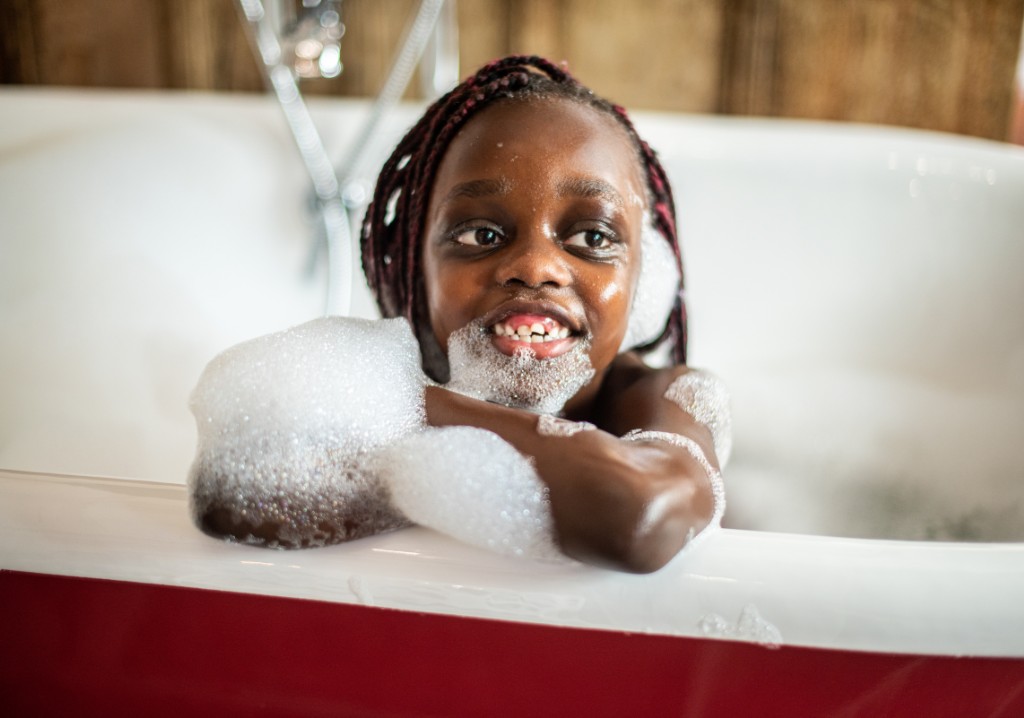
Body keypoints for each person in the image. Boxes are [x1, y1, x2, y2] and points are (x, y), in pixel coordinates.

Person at [192, 55, 727, 574]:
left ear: (643, 275)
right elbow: (232, 504)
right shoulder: (369, 379)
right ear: (414, 267)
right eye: (480, 235)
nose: (536, 267)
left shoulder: (662, 397)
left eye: (592, 237)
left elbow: (637, 518)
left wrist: (415, 407)